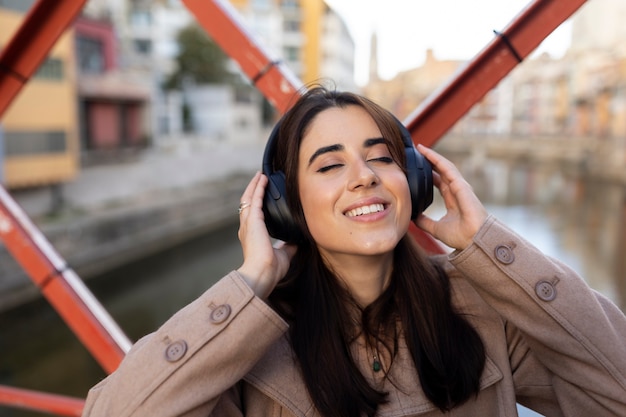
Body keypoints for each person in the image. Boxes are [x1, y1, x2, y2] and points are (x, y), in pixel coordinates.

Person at [82, 86, 626, 417]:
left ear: (414, 181)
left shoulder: (487, 313)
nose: (363, 178)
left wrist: (495, 248)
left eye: (381, 157)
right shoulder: (247, 347)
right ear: (285, 205)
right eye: (329, 165)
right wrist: (248, 286)